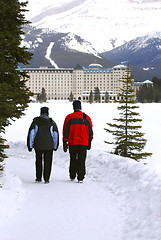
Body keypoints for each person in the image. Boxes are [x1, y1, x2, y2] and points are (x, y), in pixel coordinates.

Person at [63, 100, 93, 183]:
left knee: (73, 159)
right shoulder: (86, 117)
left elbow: (66, 130)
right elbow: (90, 130)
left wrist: (64, 141)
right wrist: (90, 141)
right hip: (83, 142)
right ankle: (81, 177)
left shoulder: (69, 117)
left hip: (72, 142)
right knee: (81, 160)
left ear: (73, 107)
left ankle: (72, 175)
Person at [27, 107, 59, 183]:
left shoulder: (36, 121)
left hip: (38, 144)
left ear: (40, 112)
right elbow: (55, 135)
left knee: (38, 160)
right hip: (49, 146)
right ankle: (47, 178)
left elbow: (32, 133)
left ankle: (38, 177)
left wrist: (30, 145)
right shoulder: (51, 122)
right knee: (48, 161)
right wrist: (55, 146)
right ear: (48, 113)